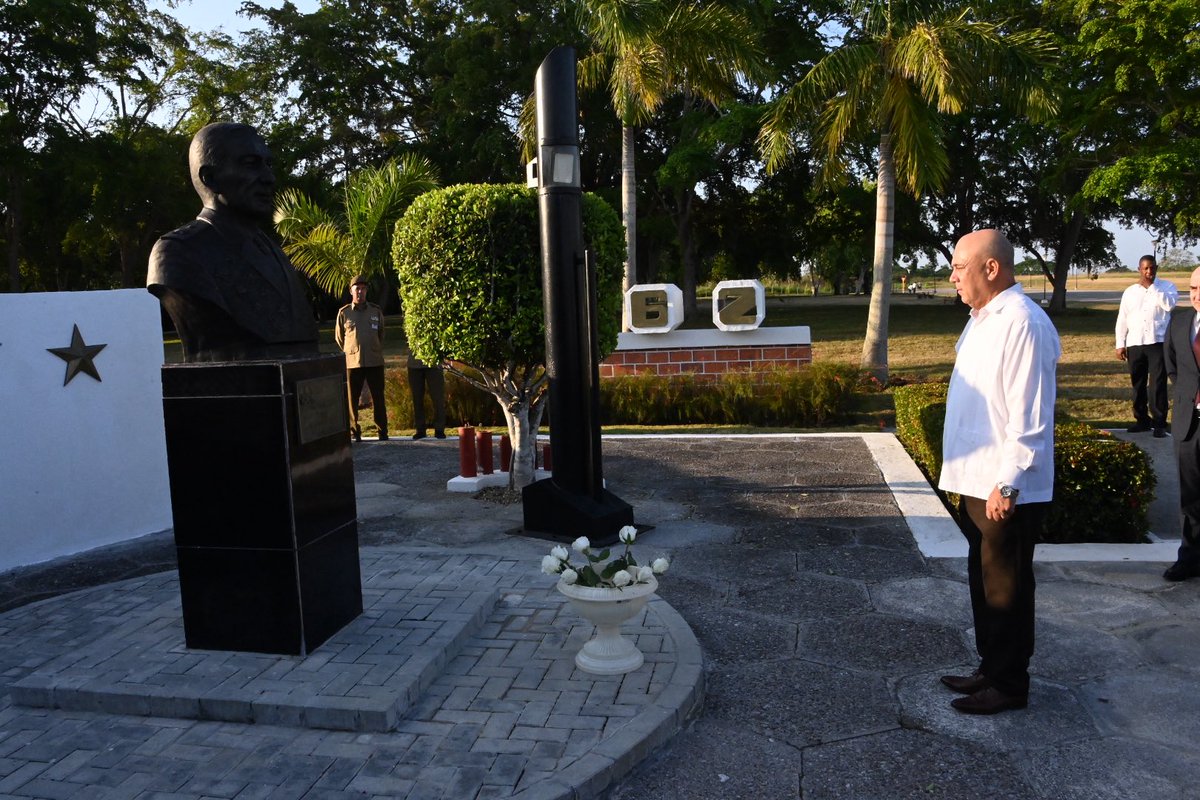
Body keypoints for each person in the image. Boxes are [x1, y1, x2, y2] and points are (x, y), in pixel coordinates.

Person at [938, 229, 1061, 715]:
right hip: (975, 479)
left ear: (992, 268)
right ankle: (990, 666)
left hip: (1004, 485)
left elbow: (1030, 415)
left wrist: (1008, 480)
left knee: (1007, 584)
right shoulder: (982, 319)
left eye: (959, 267)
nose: (952, 277)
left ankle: (1010, 684)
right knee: (984, 578)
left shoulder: (1023, 323)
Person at [147, 122, 318, 362]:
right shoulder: (179, 253)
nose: (269, 178)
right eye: (250, 164)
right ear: (211, 178)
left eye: (268, 165)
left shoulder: (272, 250)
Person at [1160, 266, 1200, 581]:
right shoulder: (1180, 321)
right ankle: (1189, 558)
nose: (1197, 295)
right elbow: (1173, 369)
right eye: (1193, 288)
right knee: (1189, 496)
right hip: (1188, 422)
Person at [1115, 254, 1177, 437]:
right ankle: (1141, 420)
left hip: (1158, 343)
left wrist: (1153, 288)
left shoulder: (1166, 287)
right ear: (1139, 270)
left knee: (1157, 384)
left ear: (1156, 268)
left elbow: (1169, 306)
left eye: (1152, 268)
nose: (1149, 272)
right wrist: (1120, 343)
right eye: (1145, 268)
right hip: (1135, 343)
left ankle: (1159, 423)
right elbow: (1122, 319)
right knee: (1138, 383)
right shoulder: (1130, 292)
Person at [335, 275, 388, 442]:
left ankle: (382, 431)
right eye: (357, 288)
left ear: (366, 291)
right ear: (351, 291)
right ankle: (354, 431)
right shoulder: (344, 313)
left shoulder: (375, 311)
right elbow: (339, 338)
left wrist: (373, 348)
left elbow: (381, 333)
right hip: (353, 362)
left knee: (378, 397)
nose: (360, 291)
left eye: (363, 288)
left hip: (374, 361)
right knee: (352, 399)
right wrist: (352, 351)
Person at [407, 354, 446, 440]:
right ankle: (420, 430)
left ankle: (439, 429)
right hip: (414, 365)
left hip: (434, 364)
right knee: (417, 399)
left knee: (438, 398)